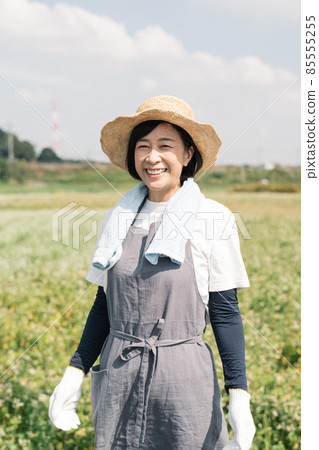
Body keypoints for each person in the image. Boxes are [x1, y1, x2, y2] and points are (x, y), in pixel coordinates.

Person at [48, 95, 256, 449]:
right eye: (143, 146)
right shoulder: (118, 218)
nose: (152, 156)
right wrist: (74, 371)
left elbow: (225, 312)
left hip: (183, 381)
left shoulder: (212, 217)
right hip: (119, 375)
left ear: (188, 154)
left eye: (165, 145)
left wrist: (239, 395)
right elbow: (104, 306)